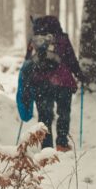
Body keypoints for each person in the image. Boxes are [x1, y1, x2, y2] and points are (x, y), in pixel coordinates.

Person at [23, 15, 84, 151]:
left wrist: (27, 82)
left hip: (41, 82)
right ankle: (62, 143)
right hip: (63, 82)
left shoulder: (35, 41)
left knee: (44, 115)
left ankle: (46, 148)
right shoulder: (62, 39)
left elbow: (27, 62)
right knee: (63, 113)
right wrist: (79, 75)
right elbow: (71, 59)